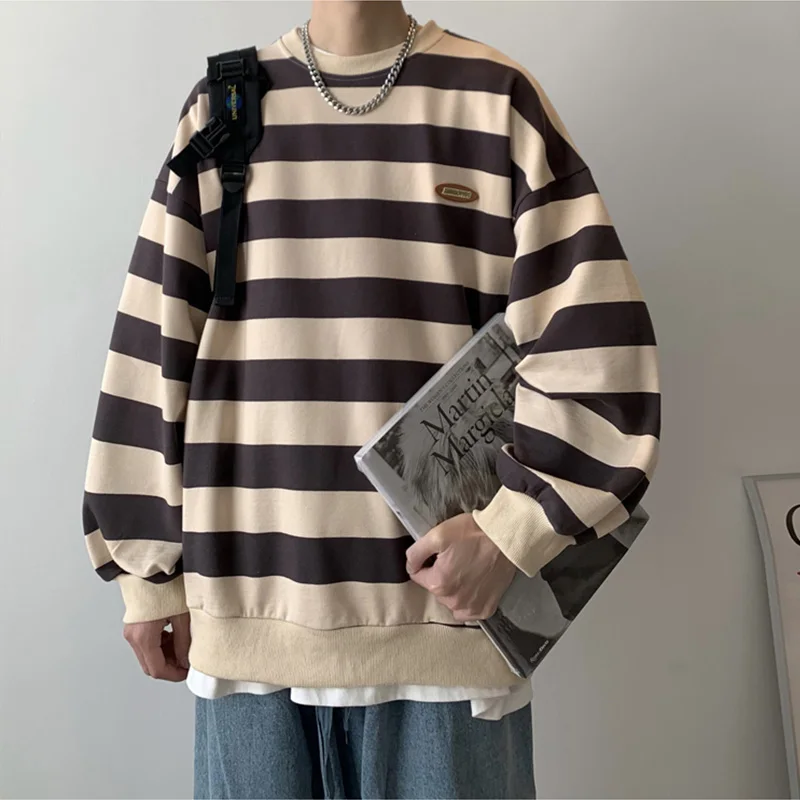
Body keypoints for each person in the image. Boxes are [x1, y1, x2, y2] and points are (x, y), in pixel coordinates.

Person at [82, 1, 660, 797]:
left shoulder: (495, 98)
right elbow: (153, 341)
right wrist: (148, 574)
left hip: (449, 634)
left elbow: (595, 346)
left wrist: (510, 535)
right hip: (250, 626)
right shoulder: (226, 108)